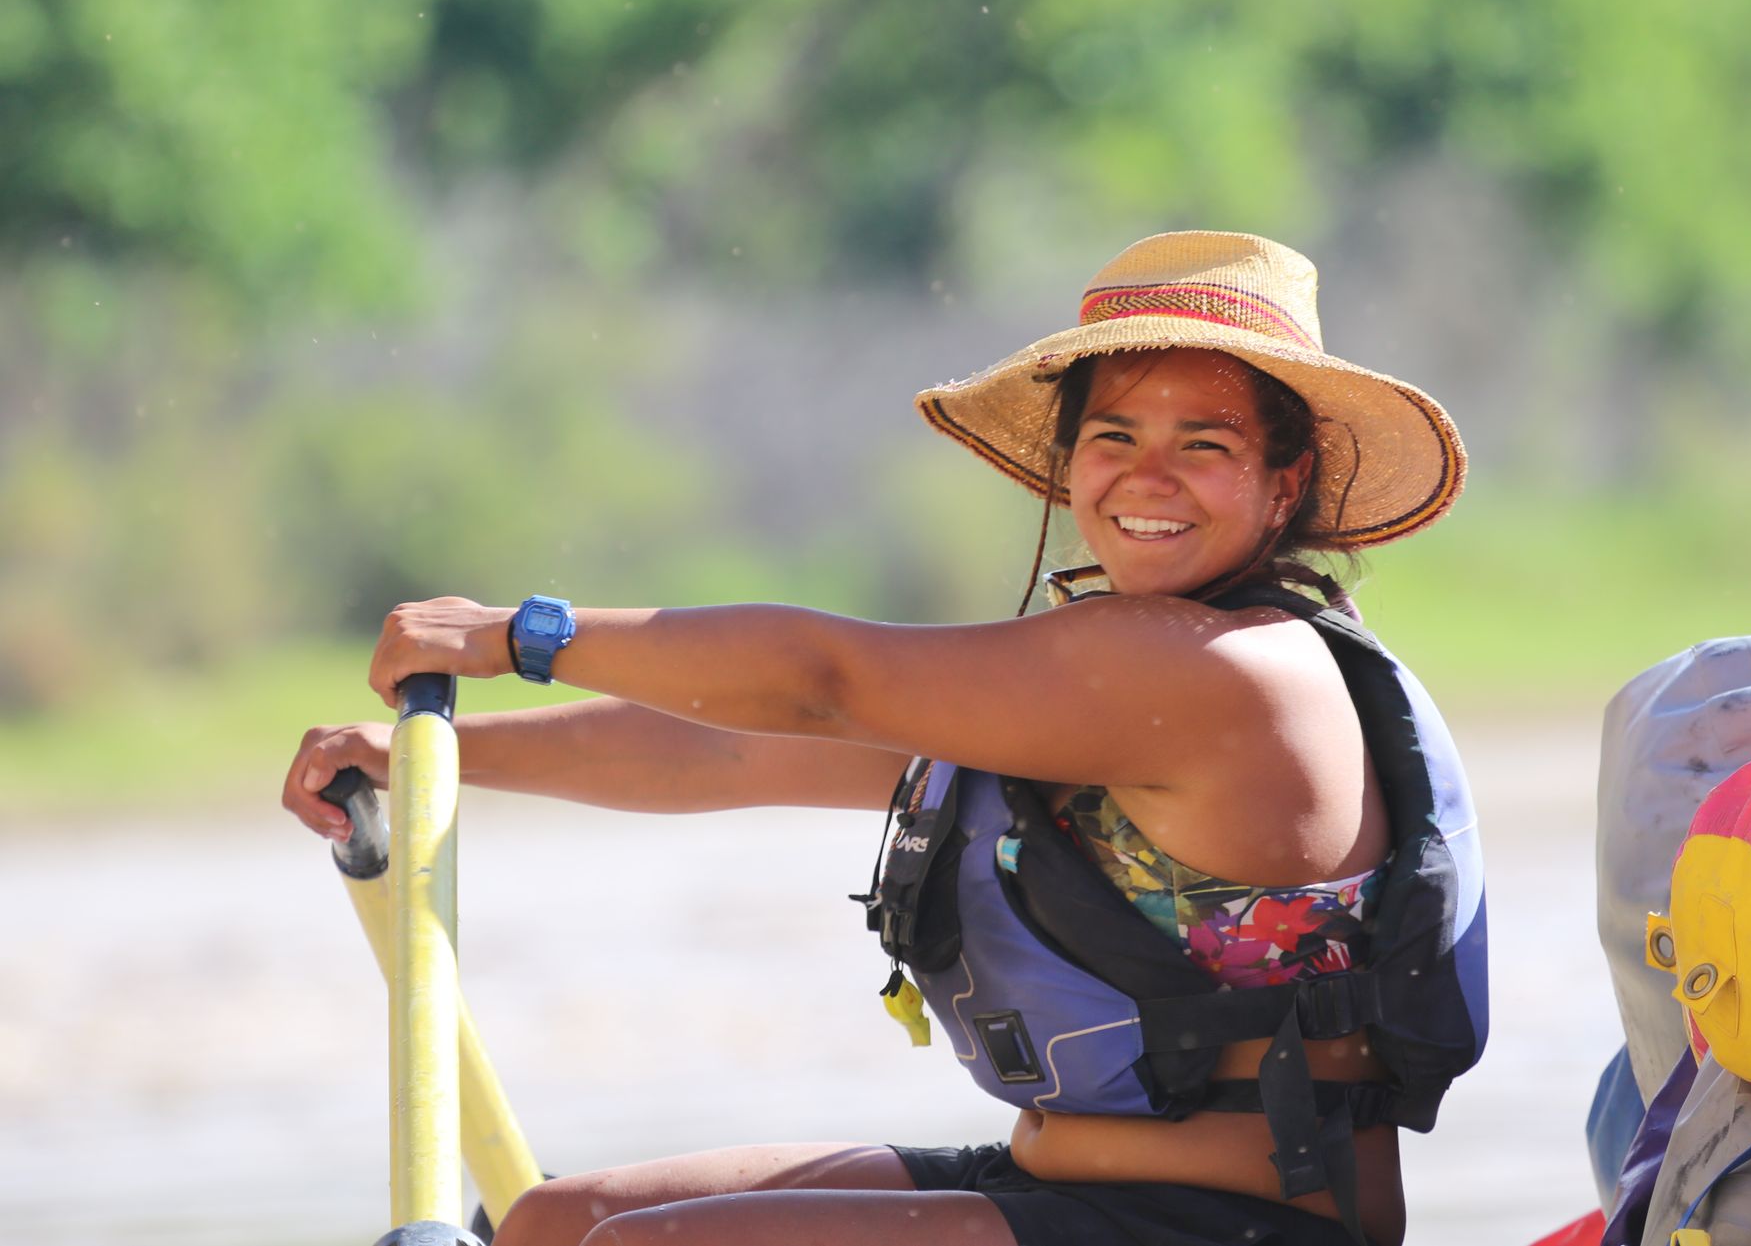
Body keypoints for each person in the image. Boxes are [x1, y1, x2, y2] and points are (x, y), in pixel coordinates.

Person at [282, 231, 1484, 1246]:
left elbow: (819, 684)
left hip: (1230, 1230)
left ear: (1288, 482)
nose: (1145, 479)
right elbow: (732, 750)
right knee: (554, 1224)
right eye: (1113, 438)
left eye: (1205, 445)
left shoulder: (1232, 674)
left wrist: (517, 634)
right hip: (1055, 1189)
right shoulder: (1087, 677)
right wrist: (431, 764)